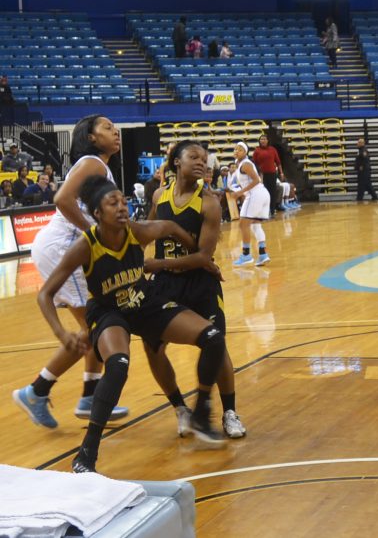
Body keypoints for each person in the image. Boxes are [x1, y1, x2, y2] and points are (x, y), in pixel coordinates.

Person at [36, 174, 228, 473]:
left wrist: (202, 258)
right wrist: (61, 332)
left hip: (145, 302)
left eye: (123, 201)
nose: (122, 207)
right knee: (119, 364)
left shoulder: (137, 232)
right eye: (113, 203)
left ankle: (201, 412)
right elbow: (45, 294)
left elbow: (172, 227)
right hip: (109, 312)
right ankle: (86, 454)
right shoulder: (86, 246)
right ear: (97, 213)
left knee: (213, 337)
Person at [13, 116, 133, 430]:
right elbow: (62, 199)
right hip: (63, 246)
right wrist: (95, 234)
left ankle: (58, 392)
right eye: (107, 128)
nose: (115, 131)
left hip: (62, 246)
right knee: (96, 324)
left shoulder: (98, 166)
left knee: (94, 324)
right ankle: (49, 393)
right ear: (91, 137)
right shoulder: (92, 162)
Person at [144, 140, 246, 440]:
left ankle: (228, 411)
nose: (202, 162)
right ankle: (180, 409)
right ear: (177, 162)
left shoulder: (210, 202)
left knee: (217, 346)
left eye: (205, 158)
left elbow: (203, 257)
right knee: (153, 348)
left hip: (199, 282)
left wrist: (158, 264)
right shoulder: (160, 195)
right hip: (165, 285)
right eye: (194, 157)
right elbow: (146, 232)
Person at [228, 142, 271, 267]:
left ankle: (246, 255)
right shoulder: (240, 164)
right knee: (256, 226)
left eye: (240, 149)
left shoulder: (245, 164)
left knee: (243, 224)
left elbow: (257, 180)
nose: (236, 151)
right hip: (262, 194)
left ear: (245, 152)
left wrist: (240, 193)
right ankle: (263, 254)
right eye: (235, 149)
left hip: (255, 195)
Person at [251, 134, 283, 216]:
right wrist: (258, 174)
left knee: (272, 192)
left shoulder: (272, 149)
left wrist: (281, 172)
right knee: (264, 193)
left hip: (272, 174)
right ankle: (264, 210)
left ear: (268, 140)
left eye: (264, 139)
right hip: (262, 175)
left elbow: (278, 162)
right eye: (261, 139)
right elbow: (253, 163)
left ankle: (272, 210)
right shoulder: (257, 151)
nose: (263, 140)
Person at [354, 137, 378, 202]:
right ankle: (374, 196)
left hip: (364, 171)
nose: (357, 143)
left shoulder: (363, 150)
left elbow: (365, 159)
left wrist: (361, 166)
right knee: (367, 185)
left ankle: (359, 198)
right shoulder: (360, 150)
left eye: (358, 142)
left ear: (362, 143)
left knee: (362, 185)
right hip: (363, 171)